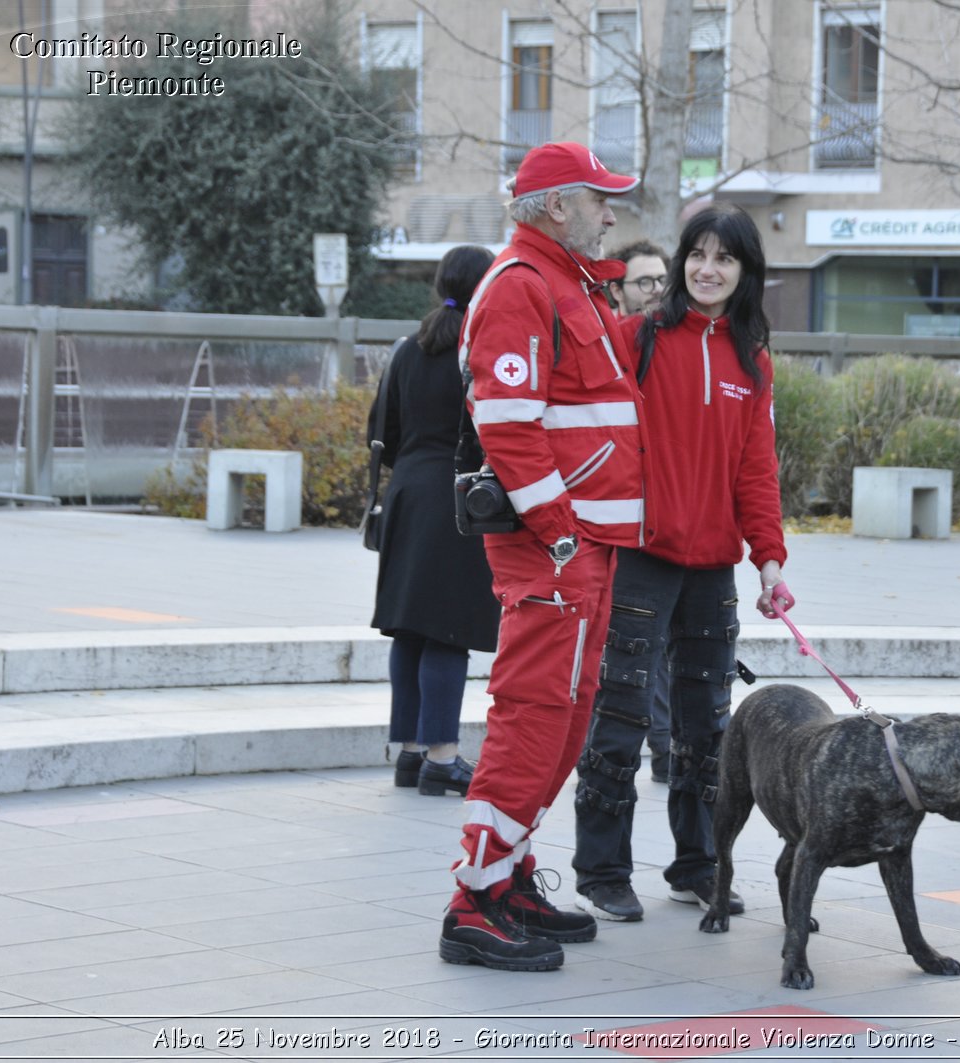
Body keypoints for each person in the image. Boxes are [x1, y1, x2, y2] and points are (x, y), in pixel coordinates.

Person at [439, 142, 645, 973]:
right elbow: (512, 425)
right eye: (601, 199)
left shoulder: (568, 283)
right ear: (557, 206)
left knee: (563, 712)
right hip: (555, 550)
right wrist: (560, 531)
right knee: (535, 713)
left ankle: (510, 871)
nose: (611, 212)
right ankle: (473, 900)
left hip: (580, 547)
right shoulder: (524, 286)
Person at [572, 204, 791, 923]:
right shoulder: (636, 337)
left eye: (724, 258)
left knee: (706, 730)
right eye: (697, 254)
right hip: (638, 558)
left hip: (712, 569)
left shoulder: (751, 359)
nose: (707, 269)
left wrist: (769, 560)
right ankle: (601, 868)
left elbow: (756, 470)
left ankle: (698, 865)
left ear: (744, 271)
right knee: (621, 715)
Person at [370, 246, 499, 796]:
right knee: (448, 631)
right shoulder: (482, 348)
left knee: (410, 628)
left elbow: (384, 431)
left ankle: (410, 754)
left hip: (406, 495)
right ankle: (443, 759)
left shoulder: (408, 348)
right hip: (457, 495)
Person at [609, 239, 674, 782]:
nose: (656, 292)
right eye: (644, 283)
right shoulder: (614, 349)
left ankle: (668, 744)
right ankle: (655, 747)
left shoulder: (678, 344)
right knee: (639, 647)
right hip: (625, 524)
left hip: (679, 523)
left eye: (661, 281)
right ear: (618, 290)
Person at [611, 240, 669, 317]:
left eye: (663, 280)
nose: (659, 289)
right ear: (617, 291)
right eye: (645, 282)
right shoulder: (602, 327)